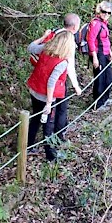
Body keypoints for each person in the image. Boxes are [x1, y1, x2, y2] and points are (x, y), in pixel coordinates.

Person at [29, 13, 82, 142]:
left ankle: (30, 143)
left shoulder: (51, 39)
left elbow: (31, 48)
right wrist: (76, 86)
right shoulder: (66, 49)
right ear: (75, 27)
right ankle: (54, 142)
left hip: (36, 85)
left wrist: (44, 37)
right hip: (51, 88)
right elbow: (66, 70)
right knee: (53, 116)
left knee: (36, 116)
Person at [26, 31, 76, 161]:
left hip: (34, 90)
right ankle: (51, 156)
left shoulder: (45, 49)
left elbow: (30, 47)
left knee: (36, 119)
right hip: (45, 96)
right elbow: (51, 82)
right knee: (48, 126)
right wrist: (48, 103)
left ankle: (28, 146)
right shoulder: (62, 62)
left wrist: (43, 37)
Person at [87, 1, 112, 109]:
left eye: (109, 13)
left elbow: (105, 39)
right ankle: (98, 104)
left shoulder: (104, 23)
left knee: (109, 78)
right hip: (98, 54)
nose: (106, 14)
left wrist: (110, 52)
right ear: (99, 11)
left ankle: (105, 99)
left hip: (105, 54)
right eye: (104, 12)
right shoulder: (96, 23)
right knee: (100, 79)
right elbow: (91, 40)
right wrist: (95, 58)